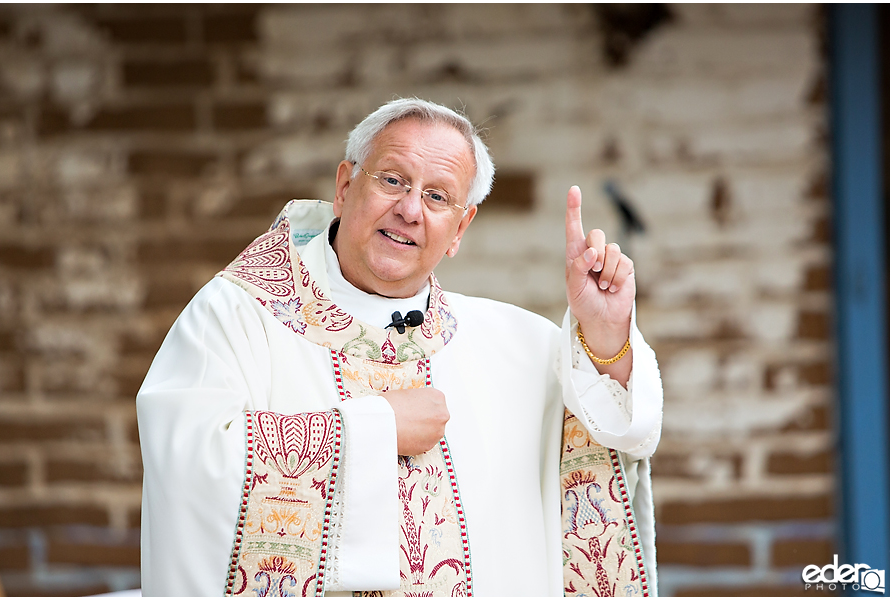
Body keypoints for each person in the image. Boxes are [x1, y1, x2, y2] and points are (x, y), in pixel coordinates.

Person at [137, 98, 663, 597]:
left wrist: (605, 339)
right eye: (393, 180)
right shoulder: (236, 315)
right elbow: (186, 466)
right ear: (344, 187)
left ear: (459, 229)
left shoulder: (522, 348)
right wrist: (373, 428)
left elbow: (603, 444)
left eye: (438, 196)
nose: (411, 209)